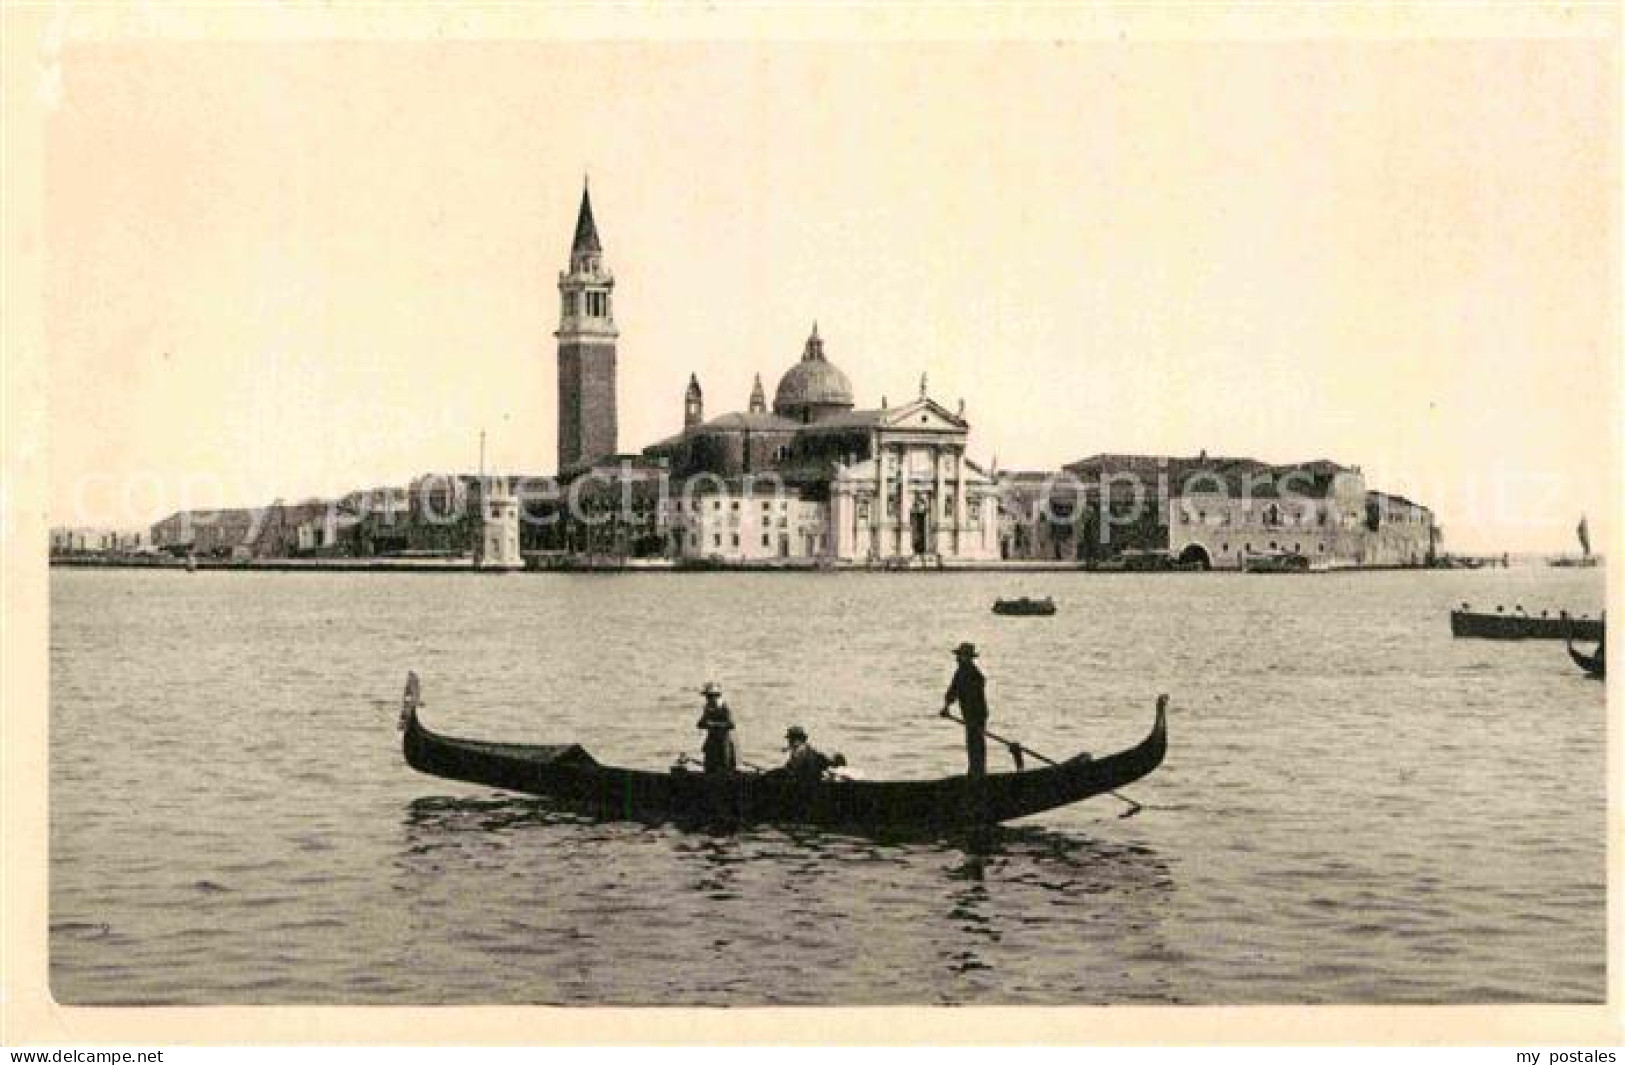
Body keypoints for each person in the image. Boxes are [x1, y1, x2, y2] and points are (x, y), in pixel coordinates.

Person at [942, 641, 988, 778]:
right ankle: (974, 771)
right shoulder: (960, 672)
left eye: (961, 656)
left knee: (976, 743)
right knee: (971, 742)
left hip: (977, 714)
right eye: (958, 656)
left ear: (968, 657)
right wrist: (946, 707)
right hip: (969, 714)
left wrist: (974, 719)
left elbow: (975, 692)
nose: (957, 659)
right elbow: (952, 691)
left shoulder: (974, 673)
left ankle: (978, 773)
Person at [695, 682, 737, 775]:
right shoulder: (708, 707)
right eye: (707, 696)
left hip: (723, 741)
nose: (708, 698)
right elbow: (700, 724)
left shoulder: (723, 707)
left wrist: (713, 724)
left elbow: (731, 724)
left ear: (716, 696)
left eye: (710, 696)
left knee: (724, 767)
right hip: (712, 741)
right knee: (709, 767)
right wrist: (705, 723)